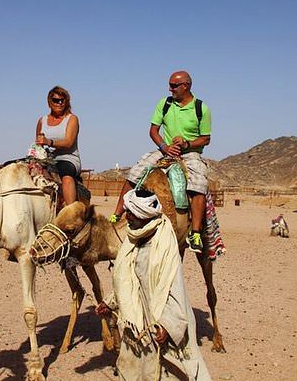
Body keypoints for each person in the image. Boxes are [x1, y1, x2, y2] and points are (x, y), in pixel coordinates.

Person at [96, 189, 211, 380]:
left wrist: (168, 324)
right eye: (127, 211)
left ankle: (197, 231)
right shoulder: (133, 239)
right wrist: (110, 302)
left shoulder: (164, 244)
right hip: (139, 321)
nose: (128, 217)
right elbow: (128, 279)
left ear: (144, 215)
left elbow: (174, 288)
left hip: (163, 320)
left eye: (132, 213)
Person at [112, 71, 211, 253]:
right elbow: (153, 131)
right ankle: (117, 213)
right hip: (165, 151)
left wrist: (187, 143)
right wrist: (164, 147)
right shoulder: (164, 104)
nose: (170, 88)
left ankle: (195, 231)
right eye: (170, 85)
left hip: (190, 154)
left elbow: (205, 138)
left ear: (186, 86)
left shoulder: (200, 108)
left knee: (199, 181)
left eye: (174, 85)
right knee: (136, 171)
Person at [35, 86, 81, 205]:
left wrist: (49, 142)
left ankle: (71, 212)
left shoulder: (71, 119)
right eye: (56, 100)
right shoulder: (42, 120)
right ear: (50, 102)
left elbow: (69, 142)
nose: (59, 103)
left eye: (62, 100)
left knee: (66, 174)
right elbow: (38, 142)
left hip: (67, 158)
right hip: (47, 159)